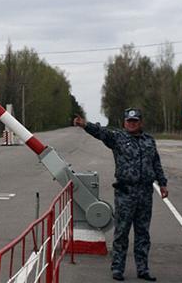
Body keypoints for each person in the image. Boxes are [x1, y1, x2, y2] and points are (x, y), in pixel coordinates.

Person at [73, 108, 168, 282]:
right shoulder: (118, 138)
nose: (132, 124)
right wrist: (85, 124)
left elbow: (156, 163)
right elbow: (101, 133)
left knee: (143, 233)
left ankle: (143, 269)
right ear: (125, 122)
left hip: (145, 193)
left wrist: (163, 183)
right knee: (122, 232)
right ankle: (117, 268)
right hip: (126, 193)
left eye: (135, 121)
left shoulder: (149, 141)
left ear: (140, 123)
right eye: (129, 121)